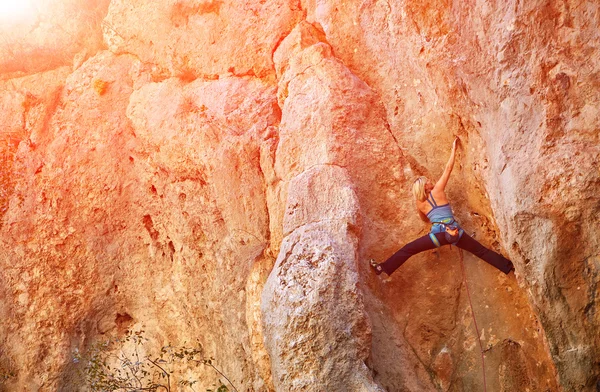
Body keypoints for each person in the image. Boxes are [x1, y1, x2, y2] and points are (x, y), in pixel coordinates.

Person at [370, 137, 514, 276]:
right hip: (455, 232)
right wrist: (453, 149)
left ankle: (383, 267)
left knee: (409, 249)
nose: (431, 181)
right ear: (425, 185)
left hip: (436, 236)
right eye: (428, 181)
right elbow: (448, 169)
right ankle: (509, 266)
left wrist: (434, 215)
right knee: (480, 251)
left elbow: (425, 220)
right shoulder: (437, 191)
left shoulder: (420, 204)